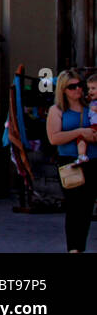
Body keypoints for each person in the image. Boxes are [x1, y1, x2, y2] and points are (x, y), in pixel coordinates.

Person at [47, 68, 97, 252]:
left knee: (86, 208)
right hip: (70, 161)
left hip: (92, 160)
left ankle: (80, 247)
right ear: (63, 90)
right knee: (75, 207)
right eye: (72, 87)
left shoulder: (90, 107)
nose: (78, 90)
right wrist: (79, 132)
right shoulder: (57, 110)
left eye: (80, 86)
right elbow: (54, 138)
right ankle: (74, 248)